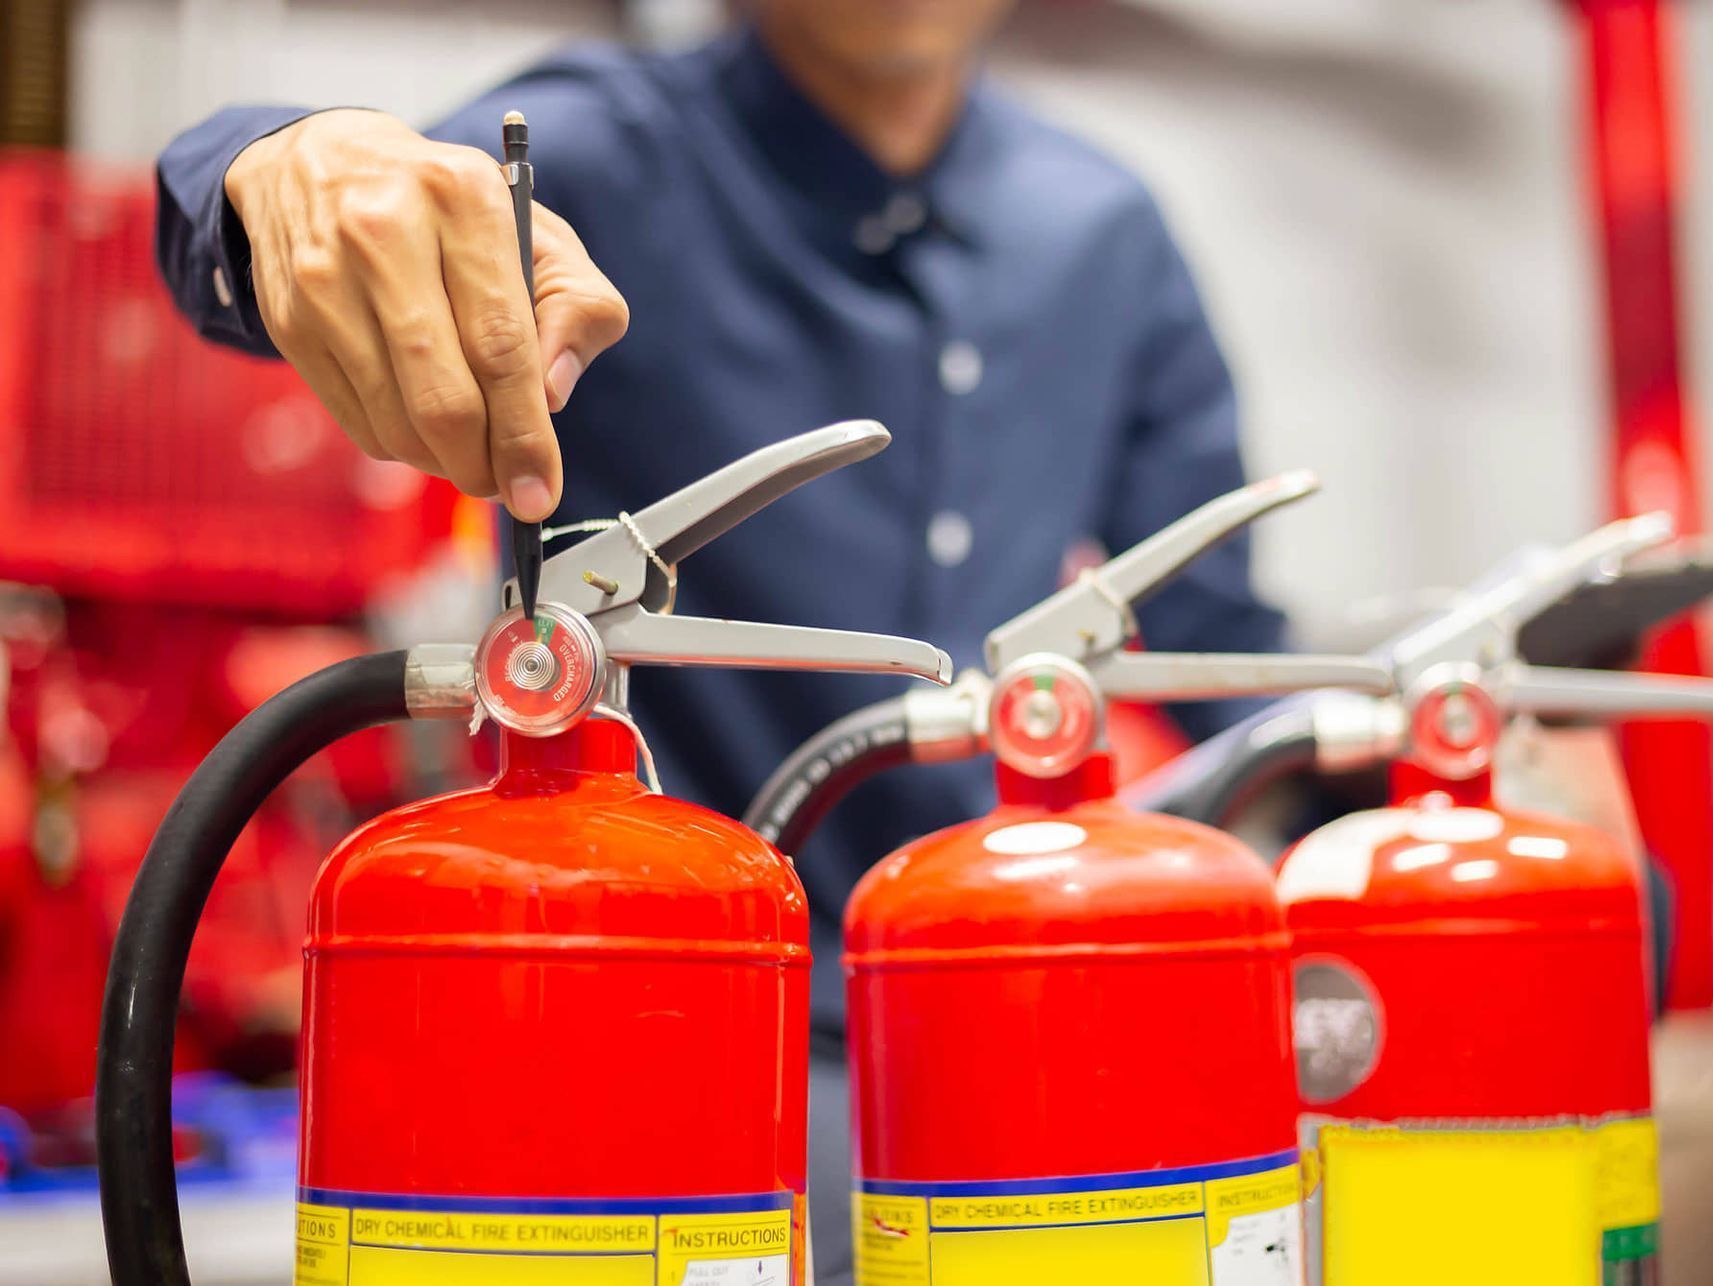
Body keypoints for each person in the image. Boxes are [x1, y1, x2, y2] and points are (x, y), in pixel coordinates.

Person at [155, 1, 1286, 1276]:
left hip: (1002, 1030)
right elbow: (278, 223)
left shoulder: (1103, 226)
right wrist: (290, 163)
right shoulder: (595, 157)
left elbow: (1216, 639)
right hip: (635, 1034)